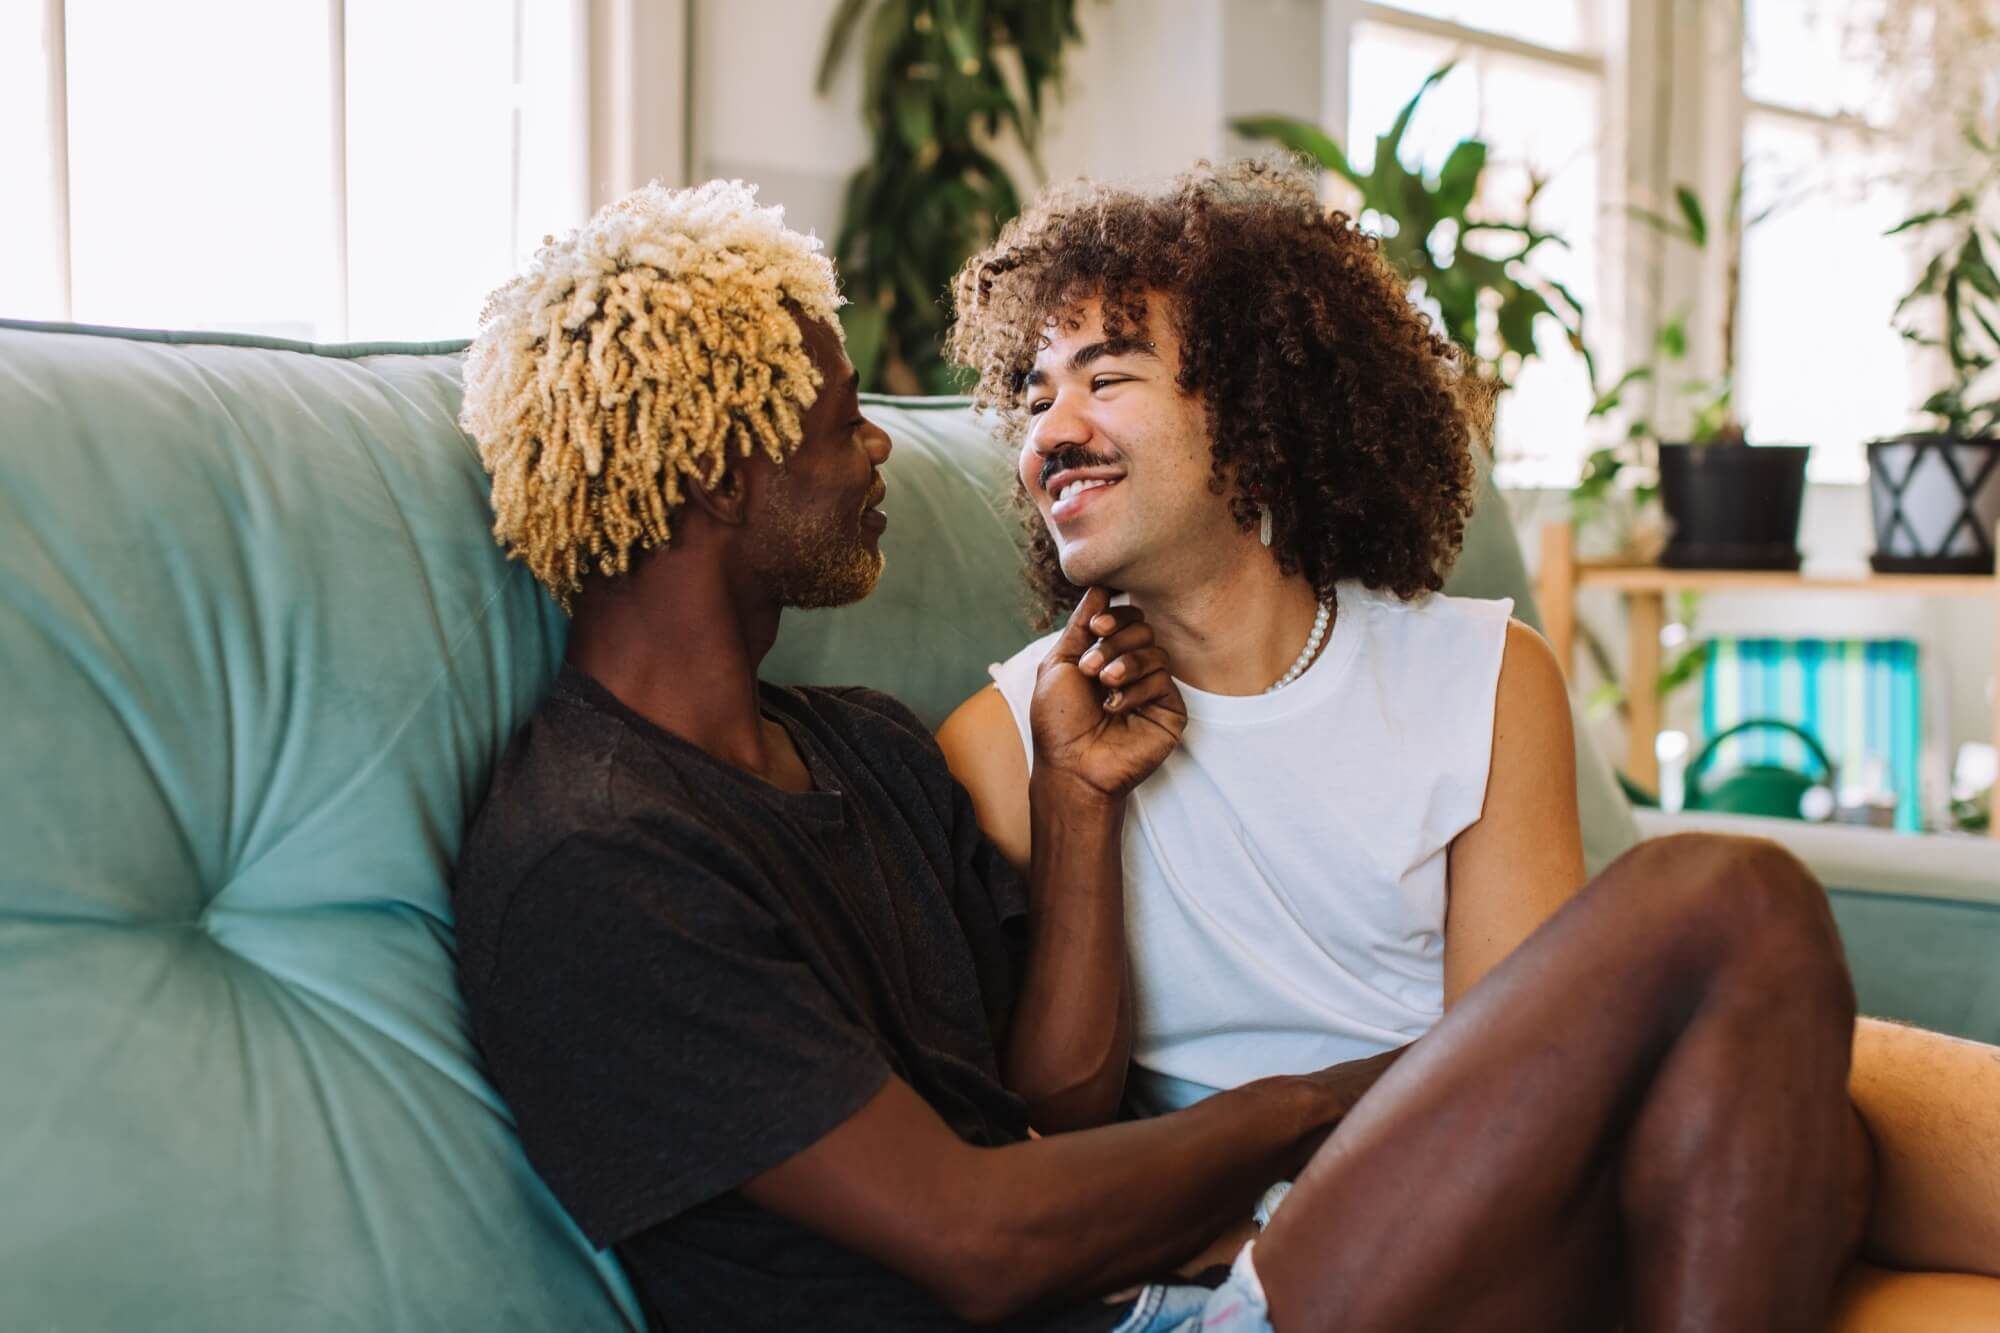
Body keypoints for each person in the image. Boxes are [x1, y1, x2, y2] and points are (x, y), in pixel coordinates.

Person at [452, 178, 1877, 1333]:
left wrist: (1077, 803)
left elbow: (1045, 1108)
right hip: (1137, 1298)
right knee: (1726, 900)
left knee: (1799, 1121)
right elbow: (977, 1240)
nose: (891, 446)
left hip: (1175, 1286)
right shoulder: (598, 856)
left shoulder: (864, 753)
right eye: (838, 424)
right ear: (719, 460)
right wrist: (1348, 1102)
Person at [938, 159, 2000, 1314]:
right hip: (1297, 1259)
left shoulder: (1479, 675)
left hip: (1514, 1207)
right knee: (1729, 895)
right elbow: (1042, 1128)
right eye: (1036, 394)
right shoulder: (1009, 734)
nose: (1054, 430)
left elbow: (1530, 1070)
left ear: (1253, 412)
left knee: (1818, 1151)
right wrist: (1076, 806)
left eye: (1108, 376)